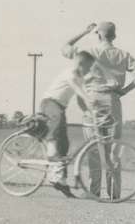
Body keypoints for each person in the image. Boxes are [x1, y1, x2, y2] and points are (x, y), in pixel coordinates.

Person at [60, 21, 135, 142]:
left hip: (92, 98)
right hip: (112, 99)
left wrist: (85, 32)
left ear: (99, 36)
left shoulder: (88, 52)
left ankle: (95, 159)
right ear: (114, 36)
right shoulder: (124, 55)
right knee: (111, 141)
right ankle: (110, 160)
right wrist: (125, 90)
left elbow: (65, 47)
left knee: (93, 143)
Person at [37, 50, 96, 197]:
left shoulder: (79, 77)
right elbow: (81, 93)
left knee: (64, 143)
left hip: (60, 107)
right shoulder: (70, 74)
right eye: (88, 67)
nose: (89, 71)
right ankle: (54, 172)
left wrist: (88, 112)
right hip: (50, 103)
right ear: (81, 64)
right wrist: (93, 106)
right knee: (55, 132)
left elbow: (80, 99)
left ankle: (61, 181)